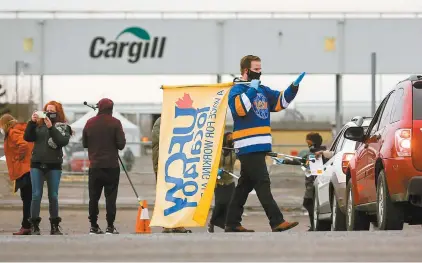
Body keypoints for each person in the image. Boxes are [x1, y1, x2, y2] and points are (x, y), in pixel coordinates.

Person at [225, 55, 305, 232]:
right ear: (246, 71)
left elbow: (280, 102)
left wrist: (294, 87)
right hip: (247, 146)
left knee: (244, 187)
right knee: (262, 183)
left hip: (259, 146)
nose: (259, 73)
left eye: (261, 69)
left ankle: (231, 223)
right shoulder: (236, 90)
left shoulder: (263, 90)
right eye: (256, 69)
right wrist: (251, 90)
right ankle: (276, 221)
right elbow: (241, 110)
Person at [24, 101, 72, 235]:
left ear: (58, 113)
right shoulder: (39, 125)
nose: (49, 113)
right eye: (47, 110)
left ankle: (55, 226)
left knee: (53, 196)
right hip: (37, 164)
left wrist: (51, 128)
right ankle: (34, 225)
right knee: (36, 195)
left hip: (54, 165)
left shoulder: (62, 126)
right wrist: (32, 122)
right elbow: (27, 137)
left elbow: (62, 141)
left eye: (52, 111)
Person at [82, 98, 126, 235]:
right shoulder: (116, 123)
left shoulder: (89, 123)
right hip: (112, 166)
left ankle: (94, 226)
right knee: (111, 197)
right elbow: (121, 144)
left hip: (95, 166)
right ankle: (110, 226)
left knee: (93, 198)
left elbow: (84, 143)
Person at [151, 116, 192, 233]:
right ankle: (168, 223)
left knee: (179, 191)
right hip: (165, 163)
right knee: (167, 192)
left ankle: (177, 223)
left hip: (176, 161)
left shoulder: (177, 120)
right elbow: (163, 141)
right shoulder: (162, 121)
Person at [283, 132, 328, 231]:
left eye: (308, 141)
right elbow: (301, 161)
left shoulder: (319, 153)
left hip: (314, 183)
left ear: (312, 142)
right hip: (312, 183)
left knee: (309, 203)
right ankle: (316, 225)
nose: (307, 144)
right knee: (311, 203)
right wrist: (285, 161)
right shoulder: (313, 153)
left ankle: (316, 226)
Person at [1, 114, 33, 235]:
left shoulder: (12, 132)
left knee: (27, 199)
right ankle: (30, 225)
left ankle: (26, 226)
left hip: (24, 170)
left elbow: (23, 145)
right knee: (29, 199)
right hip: (27, 169)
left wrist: (17, 158)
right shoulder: (18, 129)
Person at [208, 132, 237, 233]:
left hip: (230, 180)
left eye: (232, 138)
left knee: (229, 204)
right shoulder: (217, 151)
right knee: (220, 203)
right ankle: (212, 222)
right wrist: (217, 170)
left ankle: (226, 224)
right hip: (218, 181)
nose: (231, 139)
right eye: (229, 137)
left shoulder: (234, 151)